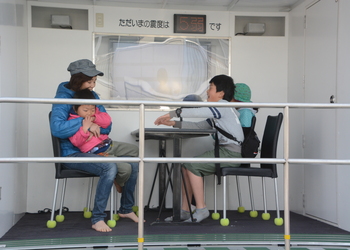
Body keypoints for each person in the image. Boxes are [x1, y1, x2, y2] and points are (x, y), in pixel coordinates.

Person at [50, 59, 139, 232]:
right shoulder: (62, 98)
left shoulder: (93, 96)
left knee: (135, 160)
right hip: (73, 153)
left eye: (94, 82)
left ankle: (126, 209)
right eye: (89, 81)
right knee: (109, 167)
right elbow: (57, 129)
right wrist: (85, 123)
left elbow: (108, 126)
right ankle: (97, 218)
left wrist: (94, 121)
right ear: (77, 80)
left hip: (97, 147)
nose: (92, 86)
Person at [154, 74, 244, 223]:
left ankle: (201, 209)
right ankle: (185, 210)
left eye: (211, 87)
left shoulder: (222, 106)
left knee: (191, 165)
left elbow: (196, 111)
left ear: (221, 93)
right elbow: (199, 125)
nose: (207, 91)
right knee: (186, 166)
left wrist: (171, 114)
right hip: (226, 152)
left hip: (230, 154)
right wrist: (173, 124)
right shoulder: (221, 111)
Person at [68, 89, 134, 193]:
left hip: (109, 144)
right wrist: (85, 128)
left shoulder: (94, 114)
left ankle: (117, 178)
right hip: (99, 152)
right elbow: (76, 142)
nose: (89, 113)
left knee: (135, 150)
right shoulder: (72, 122)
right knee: (126, 169)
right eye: (85, 110)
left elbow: (107, 121)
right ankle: (119, 182)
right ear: (75, 109)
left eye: (92, 110)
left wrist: (94, 118)